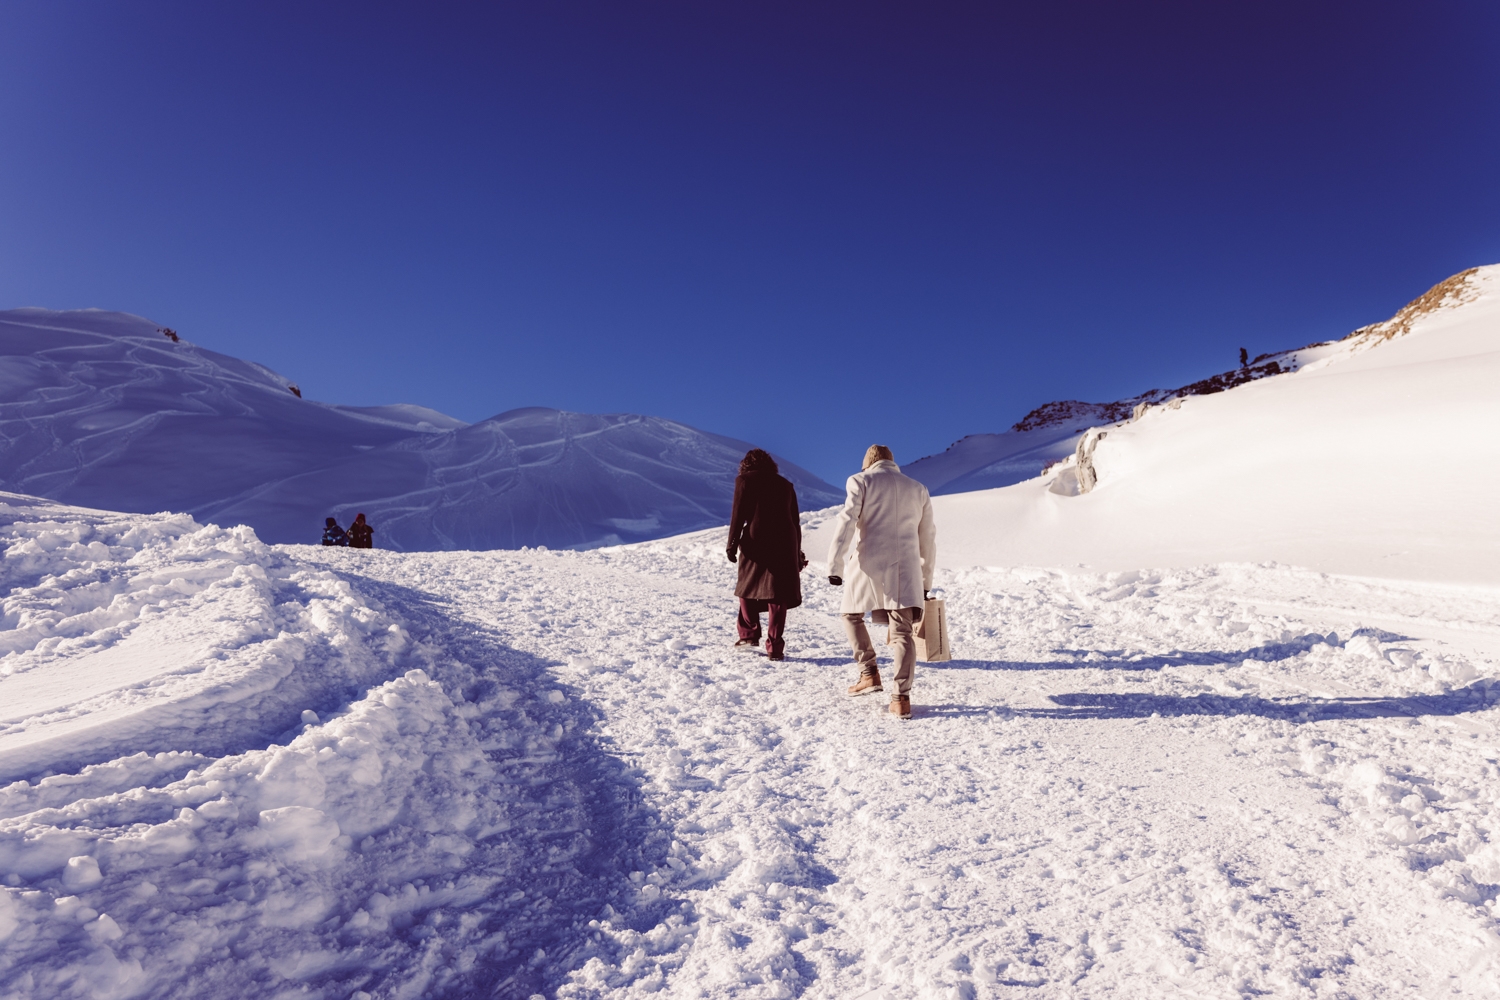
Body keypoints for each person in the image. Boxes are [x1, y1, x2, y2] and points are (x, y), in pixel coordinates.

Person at [825, 444, 936, 720]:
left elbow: (847, 522)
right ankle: (901, 699)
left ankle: (869, 673)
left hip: (868, 564)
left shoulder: (860, 480)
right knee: (903, 633)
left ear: (868, 464)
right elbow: (928, 538)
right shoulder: (918, 488)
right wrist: (925, 580)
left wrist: (835, 565)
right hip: (906, 568)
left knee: (850, 614)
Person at [726, 448, 807, 661]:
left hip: (757, 539)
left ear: (746, 464)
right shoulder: (786, 485)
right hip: (785, 541)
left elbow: (738, 514)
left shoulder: (744, 480)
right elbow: (795, 522)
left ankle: (749, 634)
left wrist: (731, 544)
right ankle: (775, 647)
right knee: (777, 593)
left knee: (746, 585)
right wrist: (797, 553)